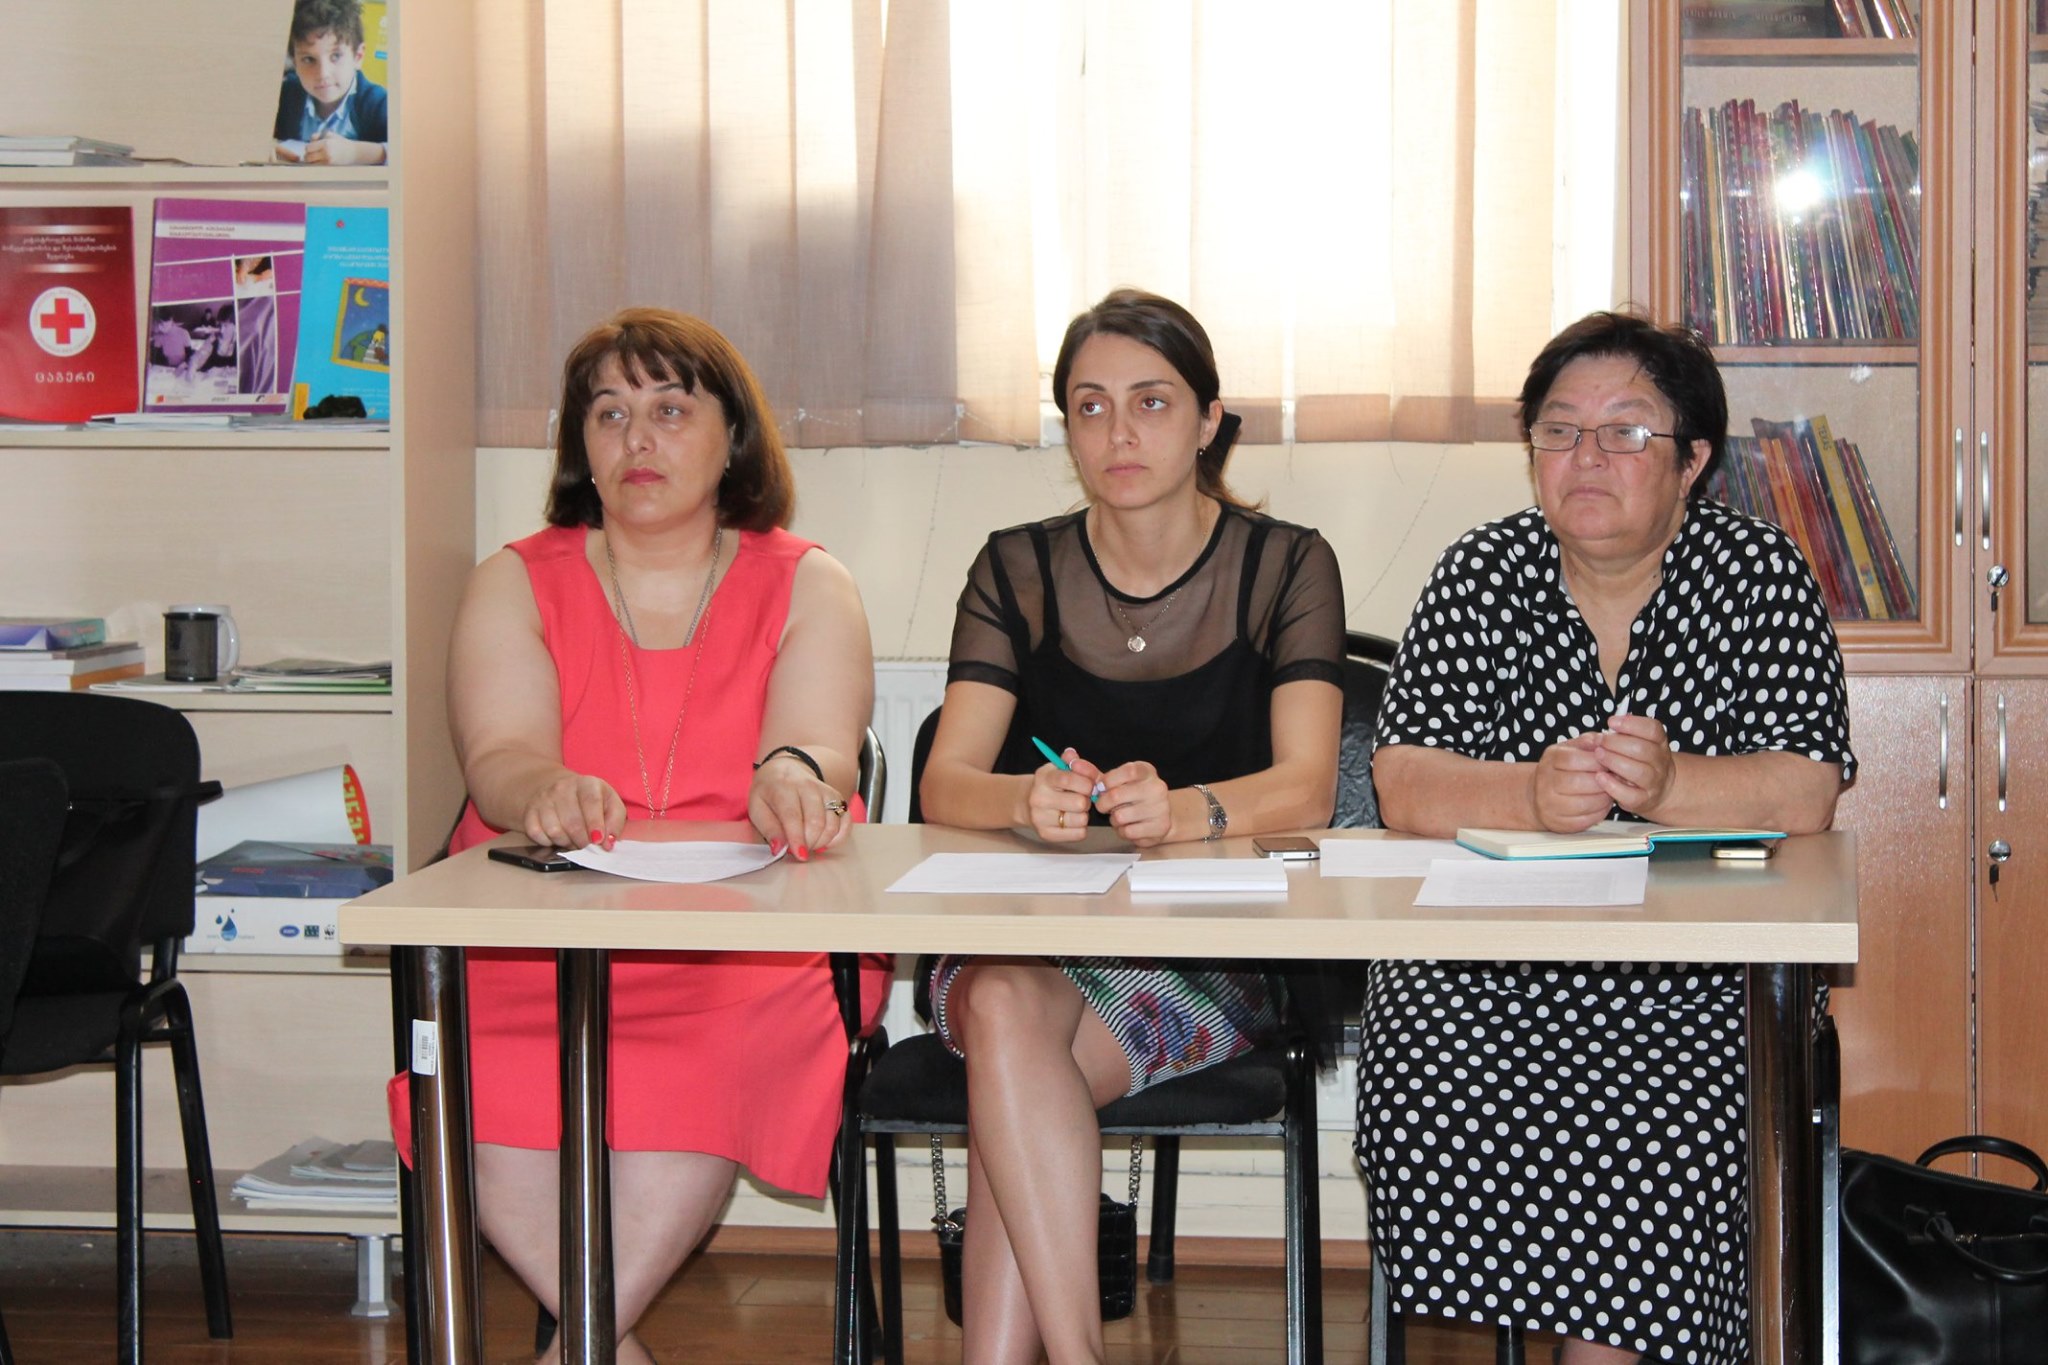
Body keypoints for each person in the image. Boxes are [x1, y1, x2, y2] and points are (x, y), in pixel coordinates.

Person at [1359, 310, 1854, 1365]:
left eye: (1624, 431)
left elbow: (1807, 787)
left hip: (1690, 975)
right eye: (1558, 430)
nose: (1584, 456)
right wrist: (1528, 797)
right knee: (1417, 1067)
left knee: (1665, 1125)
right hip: (1485, 969)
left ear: (1690, 462)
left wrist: (1672, 784)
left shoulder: (1758, 574)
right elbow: (1401, 779)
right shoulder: (1480, 572)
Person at [427, 306, 888, 1365]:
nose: (637, 438)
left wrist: (792, 779)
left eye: (670, 410)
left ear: (733, 438)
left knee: (717, 1048)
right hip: (535, 931)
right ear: (579, 447)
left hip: (749, 941)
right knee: (467, 1054)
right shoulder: (513, 578)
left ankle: (580, 1348)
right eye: (608, 414)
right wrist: (542, 788)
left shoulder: (808, 581)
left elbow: (817, 746)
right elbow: (498, 756)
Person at [917, 288, 1345, 1364]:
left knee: (1012, 1062)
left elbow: (1307, 785)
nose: (1118, 432)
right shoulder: (1015, 566)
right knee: (1006, 1003)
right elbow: (945, 782)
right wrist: (1023, 799)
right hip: (1024, 929)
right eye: (1090, 406)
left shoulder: (1285, 563)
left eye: (1151, 402)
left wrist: (1191, 811)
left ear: (1208, 421)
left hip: (1208, 946)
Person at [272, 0, 388, 166]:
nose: (323, 73)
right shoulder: (284, 95)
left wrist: (355, 153)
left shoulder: (378, 102)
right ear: (295, 63)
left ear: (358, 57)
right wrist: (265, 148)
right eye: (308, 59)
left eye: (336, 56)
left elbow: (408, 150)